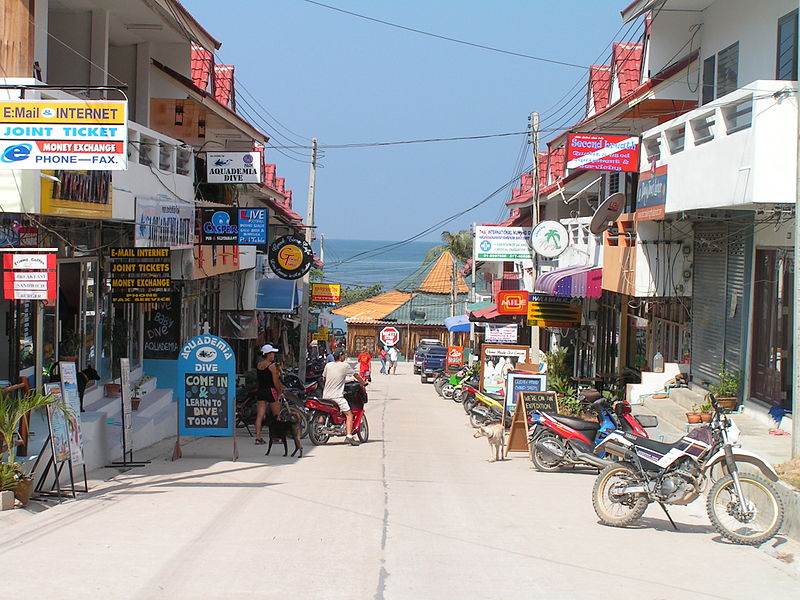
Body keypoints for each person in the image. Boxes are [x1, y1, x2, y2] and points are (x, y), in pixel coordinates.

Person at [322, 350, 366, 445]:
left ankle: (320, 425)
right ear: (340, 356)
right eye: (344, 355)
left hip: (326, 395)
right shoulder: (345, 365)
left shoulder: (328, 365)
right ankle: (349, 436)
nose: (344, 357)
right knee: (349, 414)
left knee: (323, 412)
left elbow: (325, 378)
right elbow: (356, 375)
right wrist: (363, 382)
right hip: (337, 396)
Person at [254, 344, 285, 445]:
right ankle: (276, 436)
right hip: (270, 391)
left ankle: (258, 437)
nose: (273, 355)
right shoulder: (272, 366)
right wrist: (280, 391)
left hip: (261, 390)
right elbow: (275, 382)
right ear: (267, 354)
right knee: (277, 415)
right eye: (271, 353)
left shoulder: (259, 365)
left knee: (260, 415)